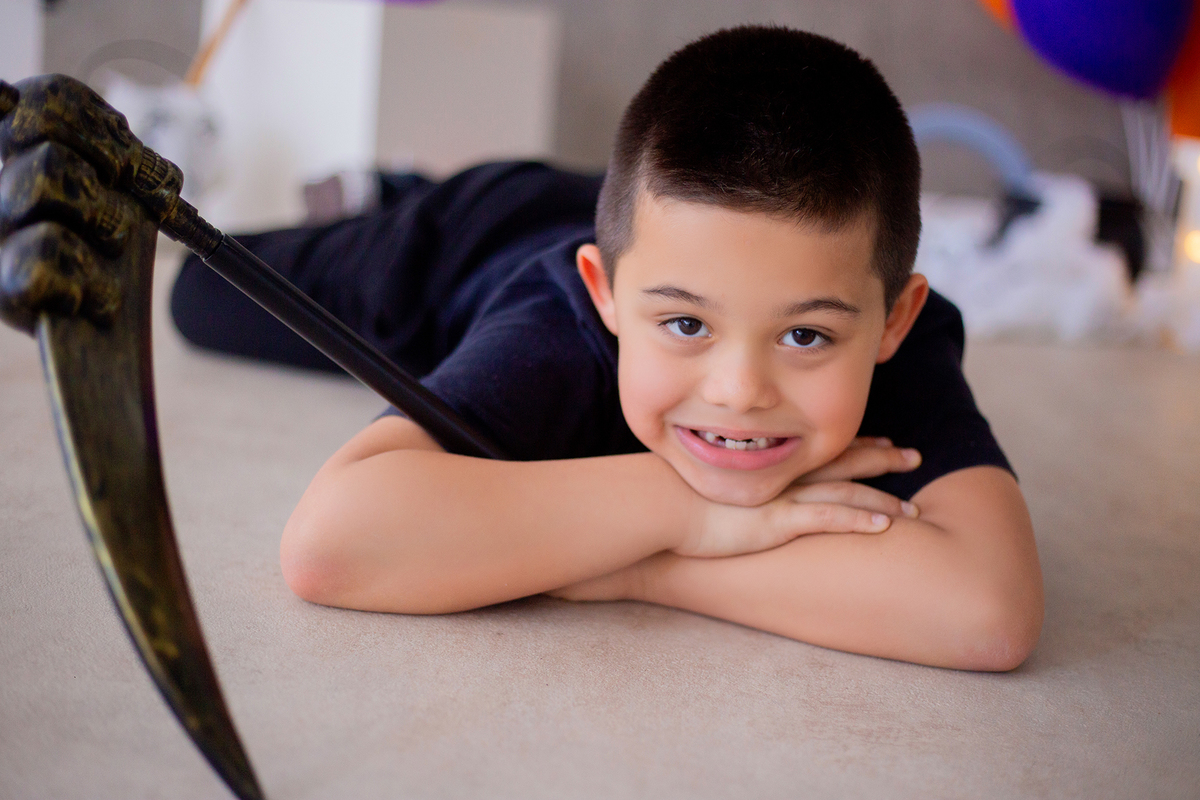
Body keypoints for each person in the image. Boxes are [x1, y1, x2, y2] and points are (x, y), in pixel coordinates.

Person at [171, 26, 1044, 671]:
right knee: (205, 295)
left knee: (679, 243)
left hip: (646, 232)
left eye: (805, 335)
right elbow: (331, 545)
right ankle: (395, 191)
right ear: (606, 295)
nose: (740, 390)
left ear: (893, 319)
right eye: (686, 326)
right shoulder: (556, 328)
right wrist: (689, 514)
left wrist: (645, 573)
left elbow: (989, 610)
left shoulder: (901, 330)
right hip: (470, 238)